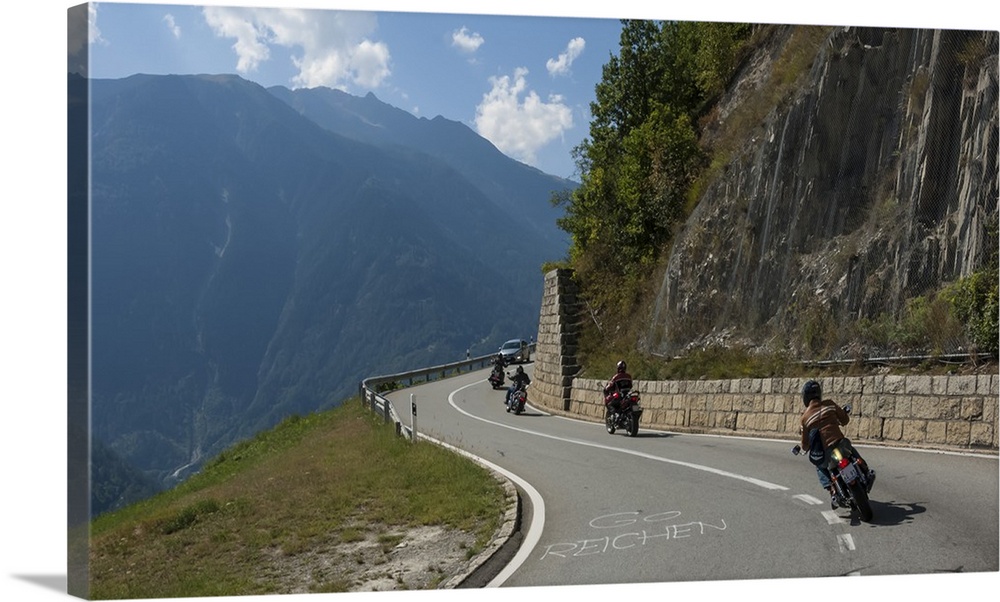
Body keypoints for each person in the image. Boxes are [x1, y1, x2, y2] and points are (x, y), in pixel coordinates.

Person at [795, 379, 868, 509]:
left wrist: (805, 447)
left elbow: (805, 445)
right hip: (842, 446)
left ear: (805, 397)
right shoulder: (829, 404)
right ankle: (864, 469)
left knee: (818, 465)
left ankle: (832, 491)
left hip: (827, 456)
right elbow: (845, 420)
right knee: (851, 451)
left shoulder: (805, 418)